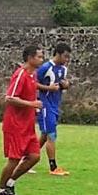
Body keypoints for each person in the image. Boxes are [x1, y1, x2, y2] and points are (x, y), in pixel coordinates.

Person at [0, 45, 45, 195]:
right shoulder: (21, 74)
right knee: (14, 159)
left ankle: (10, 183)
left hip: (27, 125)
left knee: (34, 156)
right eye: (39, 57)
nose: (42, 60)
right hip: (15, 125)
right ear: (30, 58)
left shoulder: (33, 75)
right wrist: (32, 104)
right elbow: (9, 97)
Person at [37, 43, 72, 176]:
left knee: (45, 135)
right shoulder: (45, 67)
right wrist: (48, 88)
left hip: (55, 105)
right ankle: (53, 167)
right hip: (45, 105)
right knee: (52, 135)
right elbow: (33, 83)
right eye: (65, 56)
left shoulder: (63, 69)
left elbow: (63, 84)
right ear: (57, 54)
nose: (67, 60)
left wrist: (66, 85)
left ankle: (27, 158)